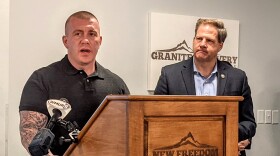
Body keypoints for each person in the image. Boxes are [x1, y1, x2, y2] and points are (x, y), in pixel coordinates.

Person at [19, 11, 130, 155]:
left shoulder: (117, 84)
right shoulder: (41, 79)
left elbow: (129, 131)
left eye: (92, 34)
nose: (85, 40)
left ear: (100, 41)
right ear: (66, 41)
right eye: (78, 34)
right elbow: (29, 128)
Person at [154, 18, 256, 156]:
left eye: (209, 40)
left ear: (220, 46)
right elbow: (155, 119)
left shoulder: (237, 77)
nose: (202, 44)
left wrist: (234, 135)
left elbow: (248, 122)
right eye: (199, 38)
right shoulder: (170, 74)